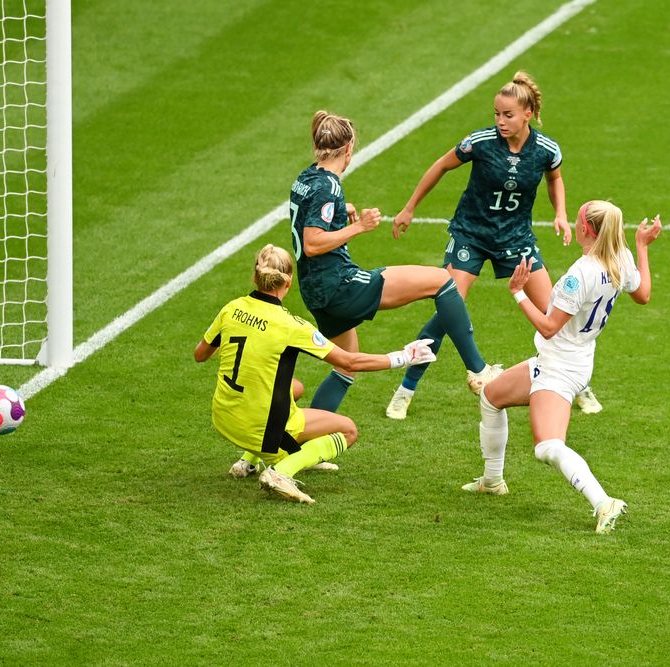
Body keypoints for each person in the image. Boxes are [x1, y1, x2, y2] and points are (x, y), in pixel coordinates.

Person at [387, 72, 602, 419]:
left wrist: (560, 212)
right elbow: (442, 165)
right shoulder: (481, 143)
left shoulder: (547, 149)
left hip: (516, 239)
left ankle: (578, 383)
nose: (500, 121)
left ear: (527, 114)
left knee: (553, 313)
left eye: (508, 115)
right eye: (497, 114)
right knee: (448, 308)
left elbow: (555, 178)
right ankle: (405, 389)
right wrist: (409, 208)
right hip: (471, 235)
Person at [460, 201, 660, 533]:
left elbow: (549, 327)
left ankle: (603, 502)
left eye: (578, 218)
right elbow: (644, 295)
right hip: (571, 358)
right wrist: (641, 246)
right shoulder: (620, 258)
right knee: (492, 395)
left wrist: (518, 293)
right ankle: (492, 481)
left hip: (560, 366)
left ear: (587, 229)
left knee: (547, 446)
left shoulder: (580, 274)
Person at [290, 110, 500, 415]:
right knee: (442, 281)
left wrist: (340, 210)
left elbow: (310, 214)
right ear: (348, 149)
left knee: (346, 367)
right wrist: (357, 227)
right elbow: (312, 243)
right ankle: (479, 371)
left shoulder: (307, 177)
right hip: (339, 285)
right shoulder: (328, 186)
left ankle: (304, 443)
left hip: (314, 291)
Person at [194, 245, 436, 504]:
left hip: (223, 417)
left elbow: (200, 354)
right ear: (288, 282)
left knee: (294, 389)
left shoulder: (231, 308)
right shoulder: (292, 326)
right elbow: (349, 361)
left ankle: (247, 461)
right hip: (258, 429)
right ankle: (280, 472)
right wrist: (403, 357)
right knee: (348, 431)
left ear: (255, 277)